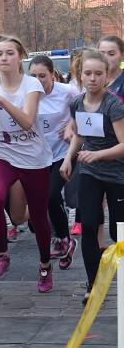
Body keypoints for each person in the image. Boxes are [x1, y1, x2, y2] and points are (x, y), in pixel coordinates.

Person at [0, 36, 54, 293]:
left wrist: (1, 100)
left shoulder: (31, 84)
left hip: (34, 157)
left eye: (10, 53)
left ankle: (45, 266)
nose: (4, 58)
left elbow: (26, 121)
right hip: (4, 153)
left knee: (38, 215)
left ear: (21, 56)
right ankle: (2, 255)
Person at [60, 50, 124, 303]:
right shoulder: (76, 103)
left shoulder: (113, 104)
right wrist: (68, 158)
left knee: (118, 232)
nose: (93, 78)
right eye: (88, 73)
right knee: (87, 225)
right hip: (90, 171)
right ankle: (93, 284)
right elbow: (79, 135)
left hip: (117, 174)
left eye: (98, 73)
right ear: (80, 75)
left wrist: (98, 155)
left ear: (107, 76)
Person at [27, 55, 78, 269]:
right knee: (42, 200)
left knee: (51, 194)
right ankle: (62, 239)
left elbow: (85, 106)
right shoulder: (26, 94)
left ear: (52, 75)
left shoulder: (67, 92)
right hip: (38, 155)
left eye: (42, 76)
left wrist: (70, 123)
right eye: (33, 76)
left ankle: (63, 238)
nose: (38, 81)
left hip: (63, 153)